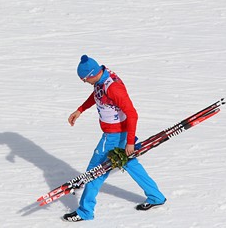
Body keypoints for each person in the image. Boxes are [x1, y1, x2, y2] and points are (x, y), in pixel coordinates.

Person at [62, 55, 167, 222]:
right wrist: (80, 109)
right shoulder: (102, 78)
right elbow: (97, 94)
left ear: (90, 74)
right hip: (119, 134)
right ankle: (156, 197)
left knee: (95, 172)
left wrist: (130, 142)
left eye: (83, 79)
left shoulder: (113, 88)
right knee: (130, 163)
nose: (84, 82)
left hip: (114, 136)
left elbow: (132, 114)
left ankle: (85, 211)